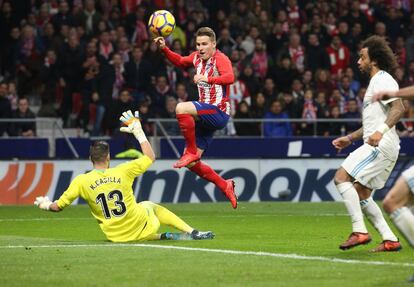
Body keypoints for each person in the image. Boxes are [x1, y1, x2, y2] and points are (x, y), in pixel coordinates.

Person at [34, 110, 214, 242]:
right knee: (148, 205)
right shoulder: (123, 170)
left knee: (141, 213)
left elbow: (57, 207)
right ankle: (192, 231)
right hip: (138, 225)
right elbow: (150, 157)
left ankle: (162, 236)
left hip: (116, 237)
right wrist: (139, 133)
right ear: (108, 157)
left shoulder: (81, 181)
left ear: (90, 159)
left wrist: (45, 204)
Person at [331, 36, 405, 252]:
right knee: (362, 193)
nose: (358, 61)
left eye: (362, 57)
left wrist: (380, 133)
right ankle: (390, 239)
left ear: (373, 60)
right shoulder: (376, 82)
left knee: (341, 178)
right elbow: (375, 121)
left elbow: (399, 108)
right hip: (384, 145)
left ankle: (359, 231)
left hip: (380, 146)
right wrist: (351, 138)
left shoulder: (383, 79)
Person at [154, 27, 237, 209]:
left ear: (214, 44)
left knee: (181, 107)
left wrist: (207, 79)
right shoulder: (196, 57)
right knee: (192, 163)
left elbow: (230, 77)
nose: (200, 47)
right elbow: (181, 61)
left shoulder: (221, 58)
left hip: (218, 112)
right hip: (205, 115)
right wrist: (164, 49)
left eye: (204, 44)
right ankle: (225, 185)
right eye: (198, 44)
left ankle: (190, 151)